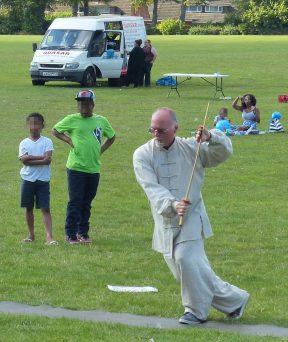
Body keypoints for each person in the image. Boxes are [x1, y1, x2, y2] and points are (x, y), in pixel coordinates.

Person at [133, 107, 249, 325]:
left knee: (186, 259)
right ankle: (235, 300)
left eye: (161, 130)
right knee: (187, 273)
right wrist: (172, 205)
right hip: (165, 220)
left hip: (192, 218)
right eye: (153, 129)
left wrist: (211, 137)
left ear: (175, 128)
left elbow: (223, 153)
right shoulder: (141, 154)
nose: (156, 134)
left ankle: (195, 312)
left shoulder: (191, 148)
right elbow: (150, 187)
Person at [52, 90, 116, 244]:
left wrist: (101, 149)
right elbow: (55, 130)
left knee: (87, 202)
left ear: (93, 104)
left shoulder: (101, 121)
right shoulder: (72, 119)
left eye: (87, 103)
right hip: (76, 167)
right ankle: (71, 234)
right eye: (80, 103)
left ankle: (83, 233)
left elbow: (112, 136)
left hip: (94, 168)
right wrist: (68, 140)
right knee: (75, 201)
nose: (83, 106)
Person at [19, 112, 57, 245]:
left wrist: (29, 157)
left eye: (37, 123)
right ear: (27, 125)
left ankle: (49, 237)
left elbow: (47, 161)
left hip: (43, 180)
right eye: (31, 123)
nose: (34, 126)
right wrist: (41, 158)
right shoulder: (24, 143)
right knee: (28, 208)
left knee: (45, 208)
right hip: (27, 180)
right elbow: (25, 162)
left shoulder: (47, 141)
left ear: (43, 125)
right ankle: (31, 235)